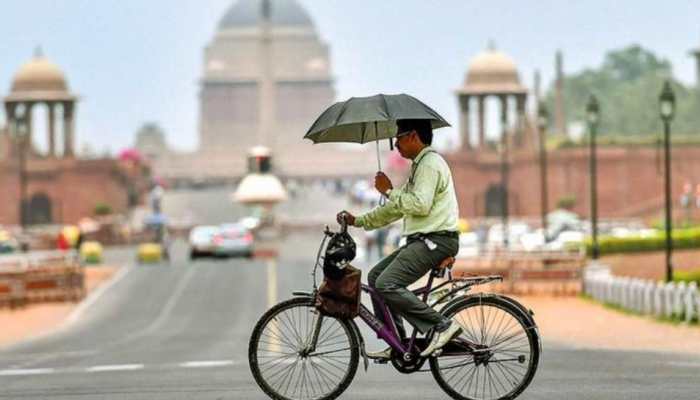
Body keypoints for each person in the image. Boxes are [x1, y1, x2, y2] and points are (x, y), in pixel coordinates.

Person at [337, 119, 461, 359]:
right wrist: (358, 221)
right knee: (375, 278)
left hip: (436, 240)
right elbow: (395, 209)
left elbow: (420, 205)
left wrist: (388, 191)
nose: (395, 144)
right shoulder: (419, 166)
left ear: (414, 136)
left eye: (399, 137)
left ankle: (442, 325)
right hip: (424, 241)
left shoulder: (430, 164)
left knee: (386, 284)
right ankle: (398, 341)